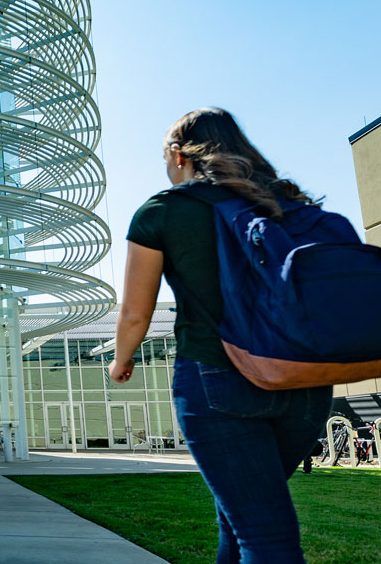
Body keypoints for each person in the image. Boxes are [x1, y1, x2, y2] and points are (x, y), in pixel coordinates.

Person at [110, 108, 332, 563]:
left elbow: (136, 311)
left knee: (266, 537)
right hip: (306, 382)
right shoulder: (289, 203)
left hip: (218, 378)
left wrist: (121, 360)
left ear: (178, 155)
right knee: (240, 518)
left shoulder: (163, 211)